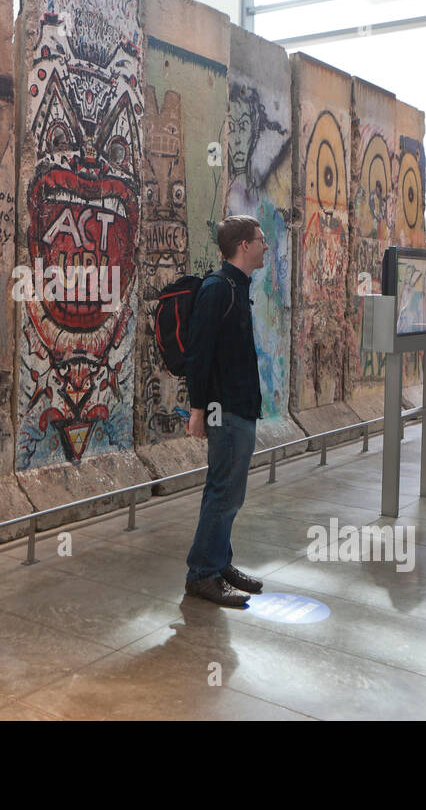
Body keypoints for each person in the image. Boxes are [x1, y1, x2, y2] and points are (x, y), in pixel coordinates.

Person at [182, 215, 266, 608]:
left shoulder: (238, 286)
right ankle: (202, 574)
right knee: (223, 490)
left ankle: (219, 563)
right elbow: (199, 356)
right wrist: (197, 411)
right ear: (244, 246)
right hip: (223, 408)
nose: (266, 246)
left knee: (230, 491)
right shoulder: (218, 290)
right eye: (261, 240)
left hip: (238, 406)